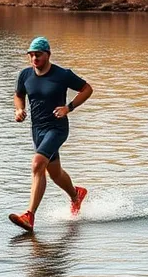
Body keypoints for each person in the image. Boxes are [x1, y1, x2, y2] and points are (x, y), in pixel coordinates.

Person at [9, 36, 93, 232]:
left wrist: (68, 107)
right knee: (54, 173)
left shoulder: (62, 74)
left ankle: (29, 215)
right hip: (37, 130)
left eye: (38, 55)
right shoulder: (25, 75)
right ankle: (76, 195)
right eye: (31, 55)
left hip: (57, 128)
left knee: (38, 163)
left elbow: (87, 89)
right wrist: (19, 110)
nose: (34, 59)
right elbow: (19, 95)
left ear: (47, 55)